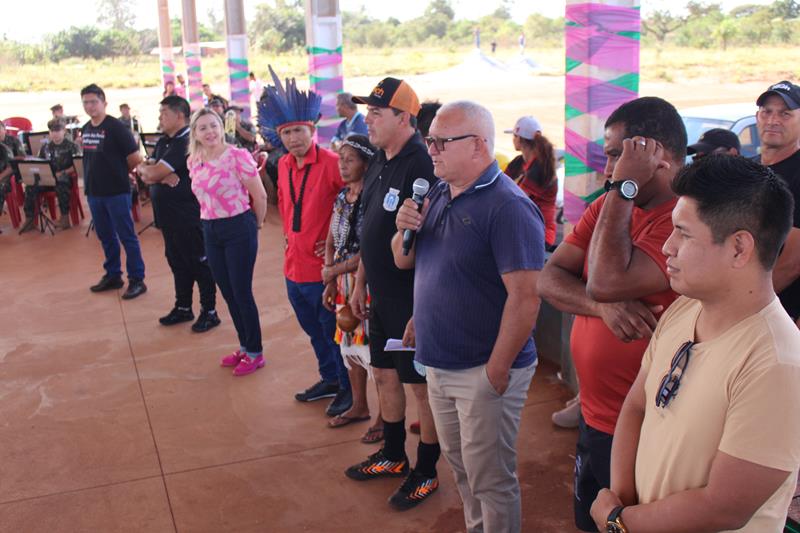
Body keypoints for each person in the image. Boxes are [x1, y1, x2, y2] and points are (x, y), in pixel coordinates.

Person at [590, 155, 800, 532]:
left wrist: (619, 522)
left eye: (683, 233)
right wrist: (623, 505)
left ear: (739, 248)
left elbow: (723, 508)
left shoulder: (778, 363)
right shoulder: (684, 310)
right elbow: (637, 406)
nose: (667, 247)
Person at [537, 96, 686, 532]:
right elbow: (549, 280)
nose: (609, 170)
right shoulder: (607, 208)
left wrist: (623, 188)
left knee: (627, 523)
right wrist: (600, 308)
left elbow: (606, 280)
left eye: (619, 156)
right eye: (609, 158)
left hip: (648, 423)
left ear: (654, 153)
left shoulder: (682, 219)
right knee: (591, 522)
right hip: (596, 415)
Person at [394, 101, 545, 530]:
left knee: (491, 480)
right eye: (430, 141)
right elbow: (409, 263)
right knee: (461, 468)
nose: (432, 150)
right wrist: (403, 227)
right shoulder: (439, 192)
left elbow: (526, 297)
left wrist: (495, 372)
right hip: (439, 362)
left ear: (479, 146)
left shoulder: (508, 207)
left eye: (442, 142)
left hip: (482, 369)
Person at [344, 77, 441, 511]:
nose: (369, 120)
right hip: (380, 296)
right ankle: (393, 454)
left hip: (410, 302)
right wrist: (361, 282)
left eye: (377, 113)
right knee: (384, 373)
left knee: (420, 387)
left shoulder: (422, 166)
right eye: (368, 113)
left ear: (405, 118)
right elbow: (370, 230)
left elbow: (432, 248)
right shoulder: (382, 160)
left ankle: (427, 471)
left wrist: (421, 310)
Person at [258, 67, 352, 416]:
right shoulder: (282, 164)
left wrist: (338, 243)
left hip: (324, 270)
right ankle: (329, 379)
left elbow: (355, 205)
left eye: (300, 131)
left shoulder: (331, 163)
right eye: (287, 132)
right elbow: (284, 205)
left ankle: (348, 389)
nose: (294, 138)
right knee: (313, 331)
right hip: (292, 266)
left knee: (334, 332)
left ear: (312, 130)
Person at [188, 108, 268, 375]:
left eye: (214, 125)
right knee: (227, 291)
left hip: (238, 226)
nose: (209, 131)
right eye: (203, 128)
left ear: (222, 127)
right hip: (210, 229)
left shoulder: (237, 156)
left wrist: (255, 225)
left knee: (241, 291)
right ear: (195, 134)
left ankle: (255, 351)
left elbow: (260, 196)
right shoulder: (194, 159)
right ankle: (245, 346)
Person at [137, 96, 220, 333]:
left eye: (164, 113)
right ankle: (183, 306)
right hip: (169, 219)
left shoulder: (186, 142)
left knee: (199, 263)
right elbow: (145, 168)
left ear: (179, 116)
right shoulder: (165, 141)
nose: (160, 118)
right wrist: (156, 173)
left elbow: (151, 173)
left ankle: (209, 311)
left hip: (188, 217)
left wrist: (155, 173)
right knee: (177, 262)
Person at [322, 135, 383, 439]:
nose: (343, 166)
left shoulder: (372, 199)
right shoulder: (341, 197)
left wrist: (334, 269)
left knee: (372, 350)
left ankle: (386, 416)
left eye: (350, 160)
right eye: (340, 159)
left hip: (366, 280)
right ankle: (360, 405)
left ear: (366, 163)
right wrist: (331, 278)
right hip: (343, 281)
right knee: (349, 344)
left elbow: (369, 249)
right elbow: (332, 239)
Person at [80, 83, 147, 300]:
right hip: (94, 192)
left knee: (126, 236)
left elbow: (135, 158)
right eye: (86, 102)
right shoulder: (87, 128)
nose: (90, 106)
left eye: (94, 102)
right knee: (106, 236)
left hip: (116, 191)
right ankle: (113, 275)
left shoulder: (116, 127)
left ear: (104, 103)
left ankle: (137, 279)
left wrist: (119, 173)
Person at [754, 81, 800, 325]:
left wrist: (743, 306)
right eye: (767, 111)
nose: (773, 120)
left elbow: (792, 263)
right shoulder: (745, 169)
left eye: (785, 113)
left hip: (782, 316)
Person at [504, 115, 558, 250]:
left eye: (514, 136)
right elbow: (499, 185)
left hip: (539, 235)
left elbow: (516, 200)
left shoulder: (540, 168)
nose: (513, 140)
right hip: (524, 229)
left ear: (520, 139)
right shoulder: (518, 162)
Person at [19, 119, 80, 233]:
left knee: (61, 184)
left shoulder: (72, 146)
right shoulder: (46, 147)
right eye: (52, 131)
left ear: (64, 131)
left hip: (65, 177)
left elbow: (76, 165)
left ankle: (65, 218)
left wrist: (62, 173)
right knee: (30, 187)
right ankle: (30, 220)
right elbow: (40, 164)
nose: (55, 133)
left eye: (58, 130)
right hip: (47, 178)